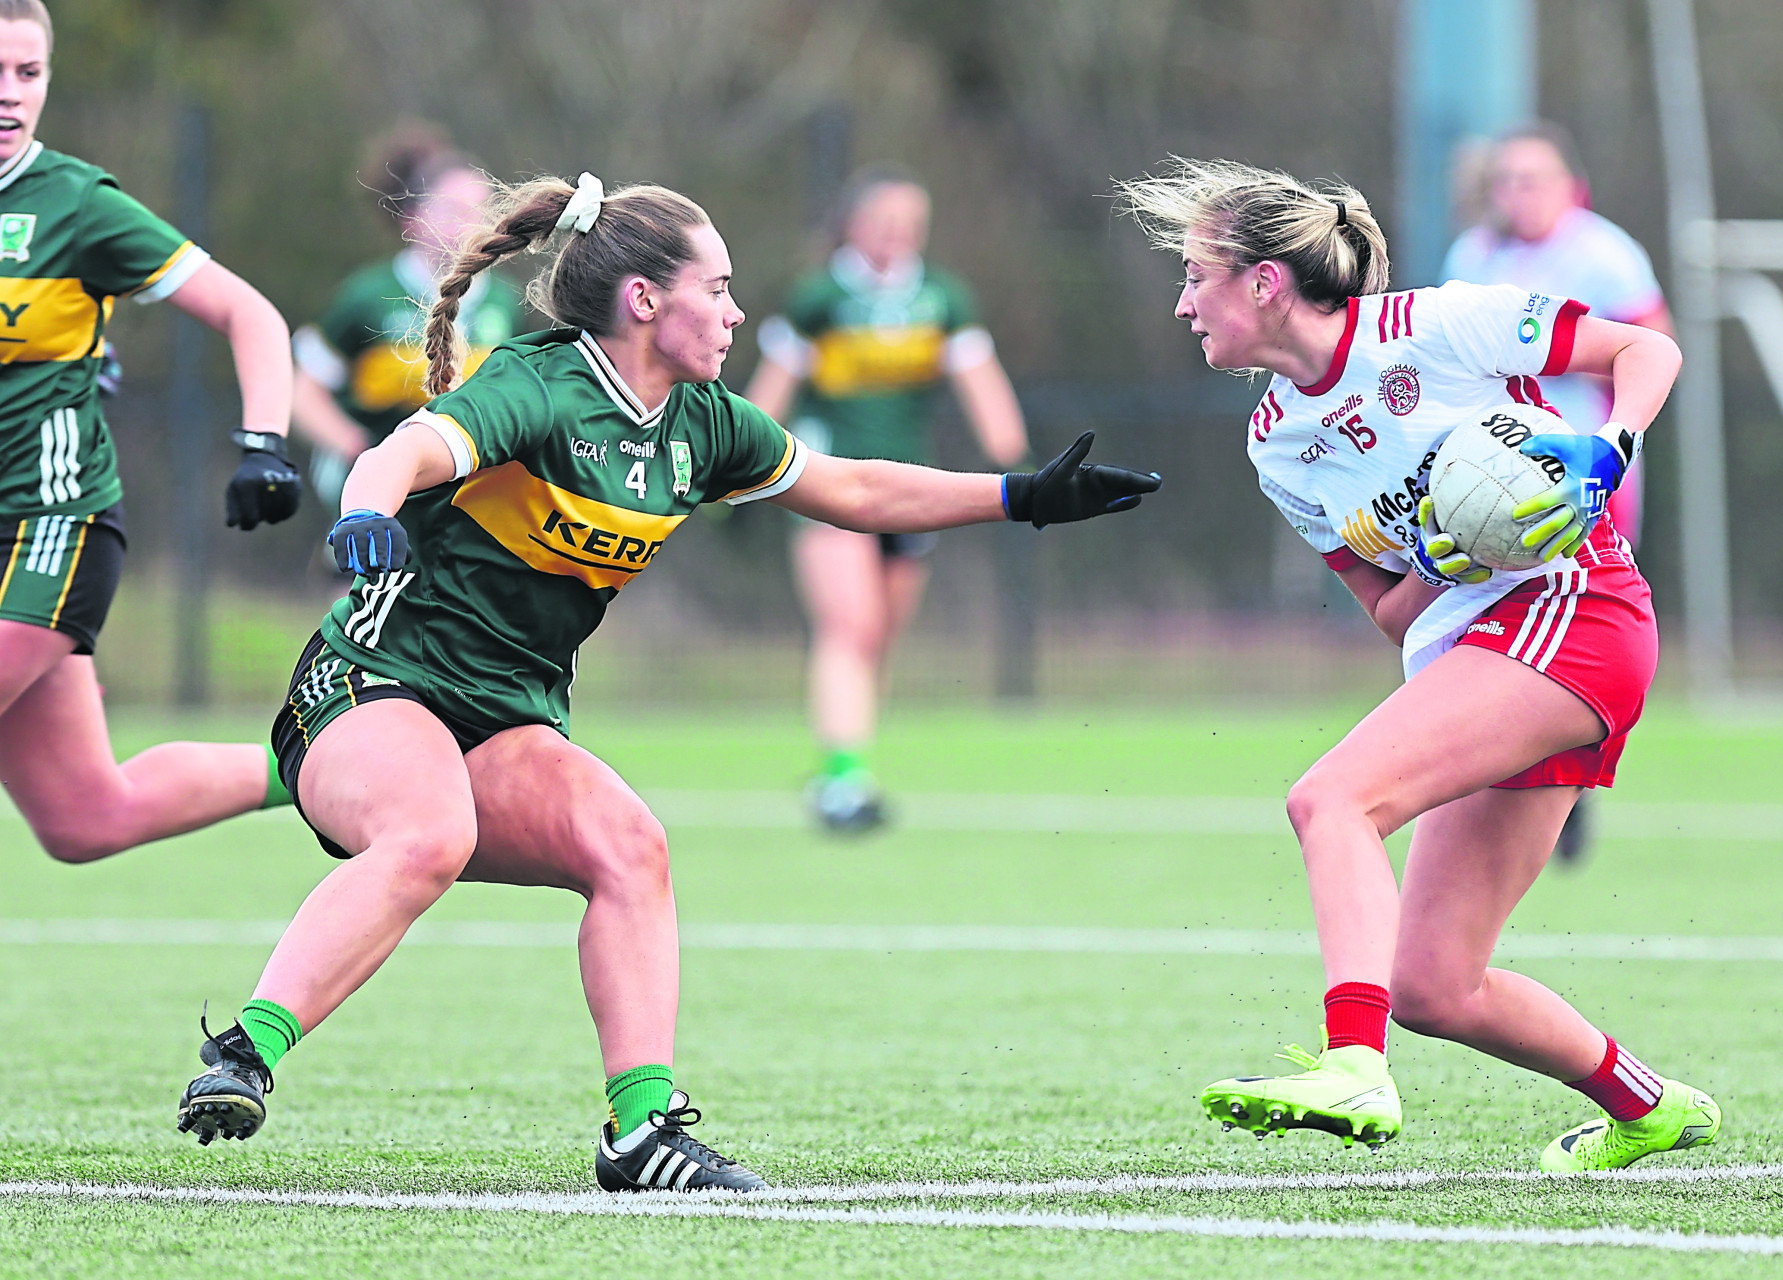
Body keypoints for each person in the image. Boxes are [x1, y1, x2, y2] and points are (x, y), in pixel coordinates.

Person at [175, 173, 1158, 1192]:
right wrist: (366, 512)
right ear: (646, 300)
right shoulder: (544, 384)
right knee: (432, 832)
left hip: (507, 714)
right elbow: (405, 449)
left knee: (631, 845)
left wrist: (1022, 495)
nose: (737, 312)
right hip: (372, 683)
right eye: (719, 288)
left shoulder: (703, 422)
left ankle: (641, 1132)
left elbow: (855, 487)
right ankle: (243, 1055)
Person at [1119, 158, 1718, 1172]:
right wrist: (1440, 553)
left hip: (1573, 608)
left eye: (1195, 275)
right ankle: (1650, 1106)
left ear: (1265, 282)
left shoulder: (1437, 324)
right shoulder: (1278, 442)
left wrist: (1608, 450)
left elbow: (1645, 350)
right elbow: (1393, 613)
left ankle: (1355, 1061)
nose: (1183, 304)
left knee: (1332, 798)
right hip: (1475, 642)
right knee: (1437, 983)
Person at [0, 0, 302, 864]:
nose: (11, 95)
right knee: (86, 816)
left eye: (29, 73)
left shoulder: (74, 205)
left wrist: (262, 445)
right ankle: (324, 765)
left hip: (48, 522)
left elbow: (249, 314)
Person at [745, 167, 1028, 832]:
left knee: (879, 640)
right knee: (851, 627)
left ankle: (841, 763)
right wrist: (734, 471)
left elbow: (983, 385)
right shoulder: (820, 298)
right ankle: (846, 783)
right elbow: (772, 390)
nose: (898, 236)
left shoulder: (940, 298)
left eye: (911, 225)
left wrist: (1020, 468)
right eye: (885, 222)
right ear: (853, 225)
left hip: (909, 490)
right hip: (829, 487)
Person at [1442, 122, 1676, 864]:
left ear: (1571, 186)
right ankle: (1497, 773)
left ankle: (1569, 786)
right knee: (1481, 621)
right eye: (1506, 179)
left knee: (1574, 633)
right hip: (1485, 485)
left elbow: (1654, 346)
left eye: (1534, 178)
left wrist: (1581, 385)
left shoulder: (1604, 252)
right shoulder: (1474, 257)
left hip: (1583, 479)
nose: (1519, 193)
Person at [291, 124, 525, 512]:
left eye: (482, 211)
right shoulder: (366, 296)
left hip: (464, 491)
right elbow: (304, 394)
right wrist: (356, 447)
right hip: (372, 484)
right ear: (413, 220)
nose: (472, 223)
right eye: (454, 211)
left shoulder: (506, 303)